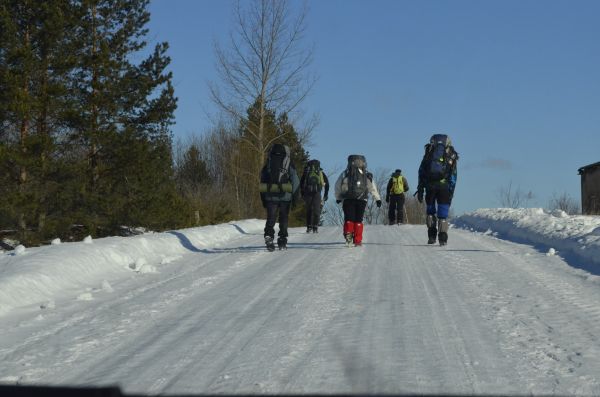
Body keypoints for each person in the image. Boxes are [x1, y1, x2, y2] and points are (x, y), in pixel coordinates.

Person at [416, 134, 458, 246]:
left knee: (430, 212)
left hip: (430, 186)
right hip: (444, 188)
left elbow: (421, 171)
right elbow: (454, 175)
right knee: (443, 215)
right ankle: (443, 239)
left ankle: (431, 237)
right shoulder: (451, 154)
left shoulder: (429, 152)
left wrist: (420, 188)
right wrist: (451, 192)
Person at [259, 143, 300, 251]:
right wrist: (295, 198)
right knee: (284, 219)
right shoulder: (288, 162)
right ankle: (282, 240)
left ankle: (269, 236)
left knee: (271, 218)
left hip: (270, 196)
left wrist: (263, 198)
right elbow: (295, 180)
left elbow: (262, 180)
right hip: (285, 197)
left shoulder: (269, 161)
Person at [334, 154, 382, 247]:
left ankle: (348, 236)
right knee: (358, 220)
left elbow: (337, 185)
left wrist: (338, 197)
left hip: (348, 199)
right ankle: (358, 240)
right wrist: (377, 199)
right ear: (363, 162)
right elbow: (372, 188)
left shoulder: (345, 173)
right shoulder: (366, 174)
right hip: (362, 199)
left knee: (349, 218)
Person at [300, 159, 329, 233]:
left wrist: (302, 193)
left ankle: (309, 227)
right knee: (317, 210)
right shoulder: (320, 172)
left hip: (307, 192)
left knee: (309, 209)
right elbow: (327, 183)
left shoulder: (306, 172)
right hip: (317, 192)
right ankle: (315, 227)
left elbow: (301, 183)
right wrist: (326, 194)